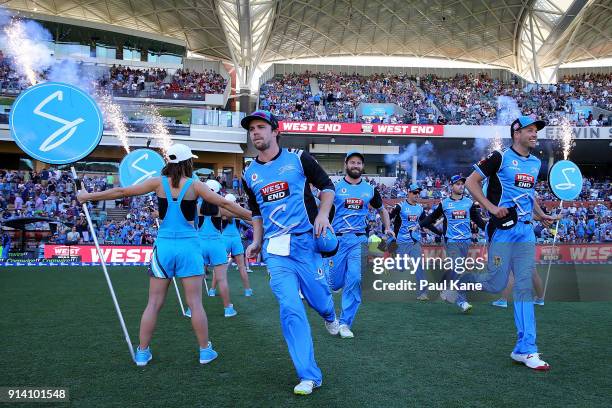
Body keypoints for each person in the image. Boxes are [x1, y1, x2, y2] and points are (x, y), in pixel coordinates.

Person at [78, 144, 251, 367]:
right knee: (196, 304)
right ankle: (205, 351)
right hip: (189, 248)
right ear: (188, 162)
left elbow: (122, 191)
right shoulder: (196, 186)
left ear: (169, 162)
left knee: (153, 303)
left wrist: (87, 196)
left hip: (164, 249)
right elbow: (226, 203)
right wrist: (255, 218)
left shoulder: (158, 183)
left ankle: (142, 352)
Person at [241, 110, 337, 396]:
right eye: (251, 129)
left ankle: (330, 315)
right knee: (290, 309)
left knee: (320, 299)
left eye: (261, 127)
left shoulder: (298, 158)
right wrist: (257, 242)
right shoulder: (249, 173)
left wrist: (323, 215)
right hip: (275, 250)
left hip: (307, 243)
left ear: (275, 131)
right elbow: (256, 212)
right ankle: (308, 375)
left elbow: (328, 187)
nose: (255, 132)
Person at [458, 116, 557, 371]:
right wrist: (491, 207)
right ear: (517, 133)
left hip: (525, 232)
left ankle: (527, 349)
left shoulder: (536, 162)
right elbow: (471, 182)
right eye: (530, 130)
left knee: (522, 287)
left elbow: (529, 195)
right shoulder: (499, 158)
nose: (535, 134)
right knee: (496, 283)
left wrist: (540, 215)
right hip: (501, 231)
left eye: (536, 131)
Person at [327, 150, 394, 338]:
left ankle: (345, 323)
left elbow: (382, 210)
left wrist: (387, 227)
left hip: (359, 240)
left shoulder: (370, 190)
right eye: (352, 162)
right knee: (334, 283)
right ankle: (335, 293)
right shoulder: (334, 187)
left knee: (355, 279)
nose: (355, 165)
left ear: (362, 167)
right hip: (337, 240)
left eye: (359, 163)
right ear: (346, 164)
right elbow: (321, 209)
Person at [418, 175, 486, 312]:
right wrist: (428, 229)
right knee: (459, 268)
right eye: (458, 184)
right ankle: (462, 301)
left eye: (463, 184)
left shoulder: (468, 203)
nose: (461, 186)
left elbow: (478, 220)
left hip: (466, 242)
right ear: (451, 186)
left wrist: (490, 230)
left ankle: (444, 286)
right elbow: (429, 219)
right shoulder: (444, 204)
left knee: (456, 269)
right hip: (452, 242)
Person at [389, 183, 441, 300]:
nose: (417, 195)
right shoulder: (400, 206)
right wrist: (387, 230)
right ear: (409, 192)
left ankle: (423, 293)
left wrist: (439, 233)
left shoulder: (420, 209)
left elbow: (426, 224)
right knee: (400, 268)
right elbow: (388, 217)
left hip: (414, 242)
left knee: (419, 267)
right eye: (414, 192)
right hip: (400, 242)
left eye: (418, 192)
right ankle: (390, 254)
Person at [220, 193, 253, 297]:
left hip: (225, 239)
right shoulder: (236, 213)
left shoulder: (222, 211)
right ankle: (247, 290)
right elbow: (249, 221)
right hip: (236, 240)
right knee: (242, 267)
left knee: (220, 266)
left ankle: (212, 290)